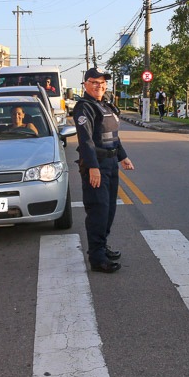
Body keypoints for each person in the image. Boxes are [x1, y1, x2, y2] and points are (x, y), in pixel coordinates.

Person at [72, 67, 135, 273]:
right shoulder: (84, 107)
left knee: (109, 210)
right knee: (98, 210)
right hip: (96, 166)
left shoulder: (105, 105)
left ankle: (102, 245)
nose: (99, 86)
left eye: (102, 82)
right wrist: (92, 167)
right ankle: (97, 258)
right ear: (85, 84)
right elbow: (86, 140)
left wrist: (123, 156)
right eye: (94, 82)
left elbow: (113, 136)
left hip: (110, 164)